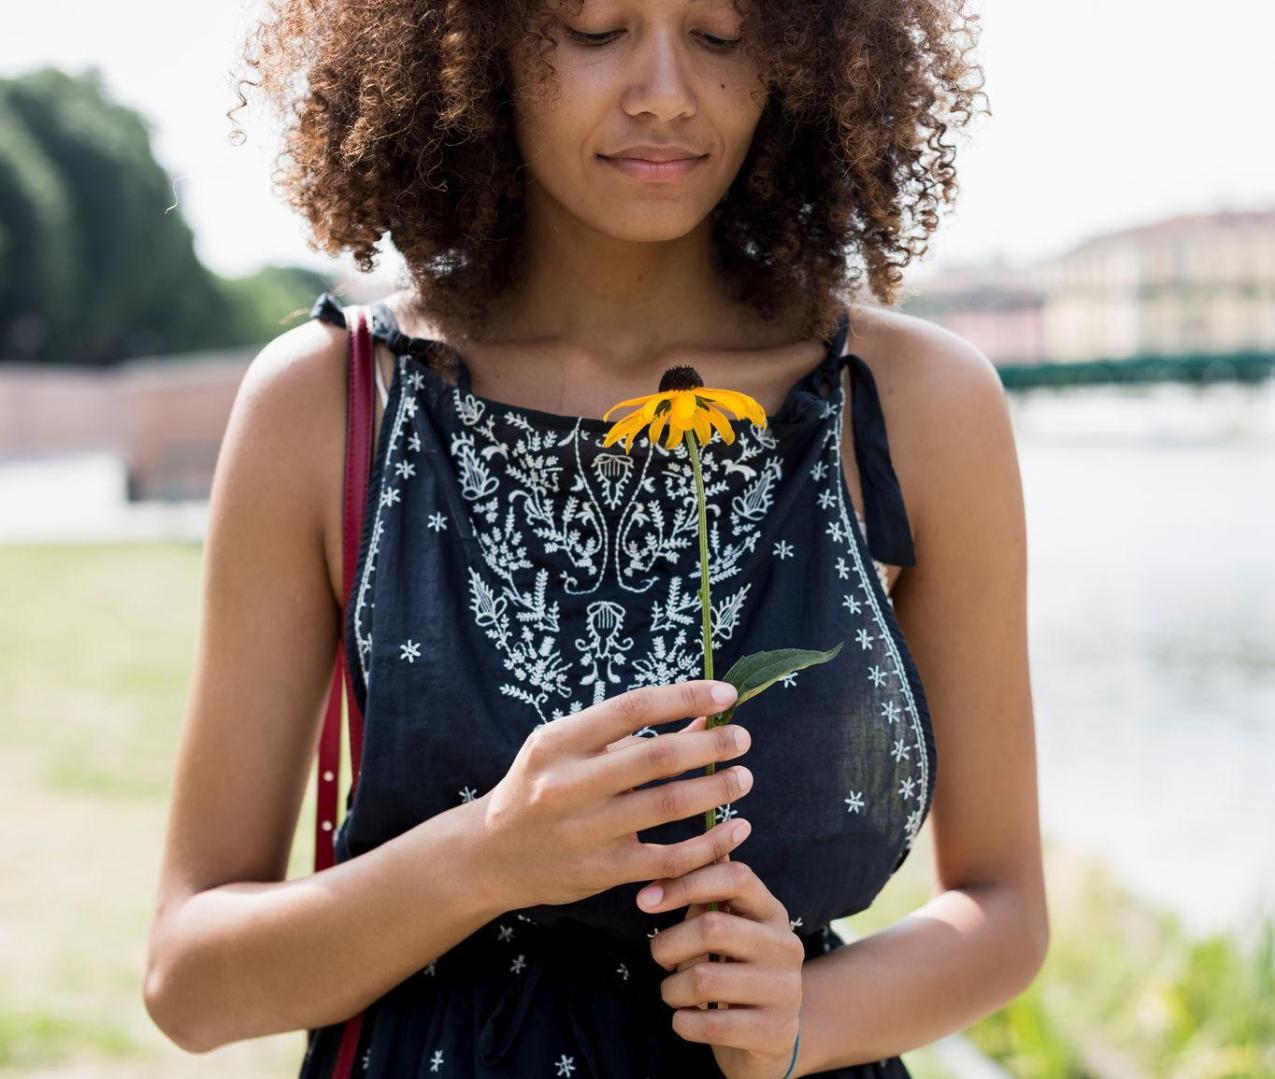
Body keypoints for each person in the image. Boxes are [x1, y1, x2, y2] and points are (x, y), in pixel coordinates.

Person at [143, 1, 1047, 1075]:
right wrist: (486, 857)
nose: (665, 89)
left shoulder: (913, 404)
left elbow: (1004, 905)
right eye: (593, 26)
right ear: (462, 45)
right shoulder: (328, 404)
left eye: (719, 35)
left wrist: (809, 1014)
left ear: (806, 56)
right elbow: (187, 979)